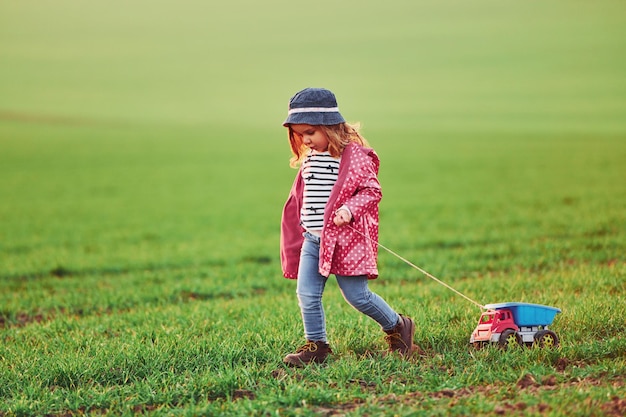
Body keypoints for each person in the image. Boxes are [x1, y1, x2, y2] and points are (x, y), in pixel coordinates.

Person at [279, 87, 420, 367]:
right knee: (307, 294)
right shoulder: (310, 159)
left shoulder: (351, 157)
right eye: (299, 135)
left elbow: (371, 190)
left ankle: (398, 325)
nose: (305, 140)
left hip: (345, 240)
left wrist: (348, 210)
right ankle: (316, 346)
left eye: (310, 132)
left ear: (329, 127)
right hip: (313, 240)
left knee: (358, 296)